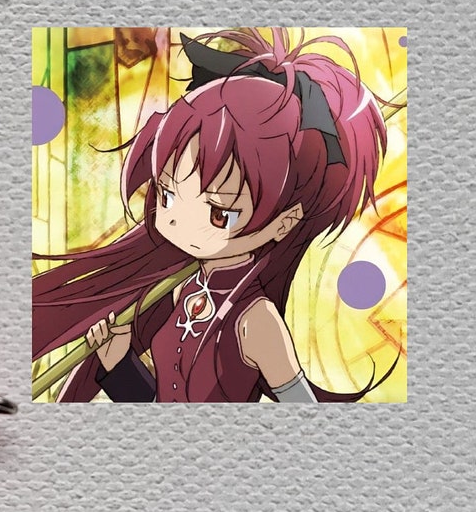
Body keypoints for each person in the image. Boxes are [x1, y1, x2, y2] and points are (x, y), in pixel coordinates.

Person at [32, 28, 390, 404]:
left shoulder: (257, 322)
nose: (176, 220)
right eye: (167, 194)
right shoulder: (182, 290)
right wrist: (118, 364)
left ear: (285, 221)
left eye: (219, 213)